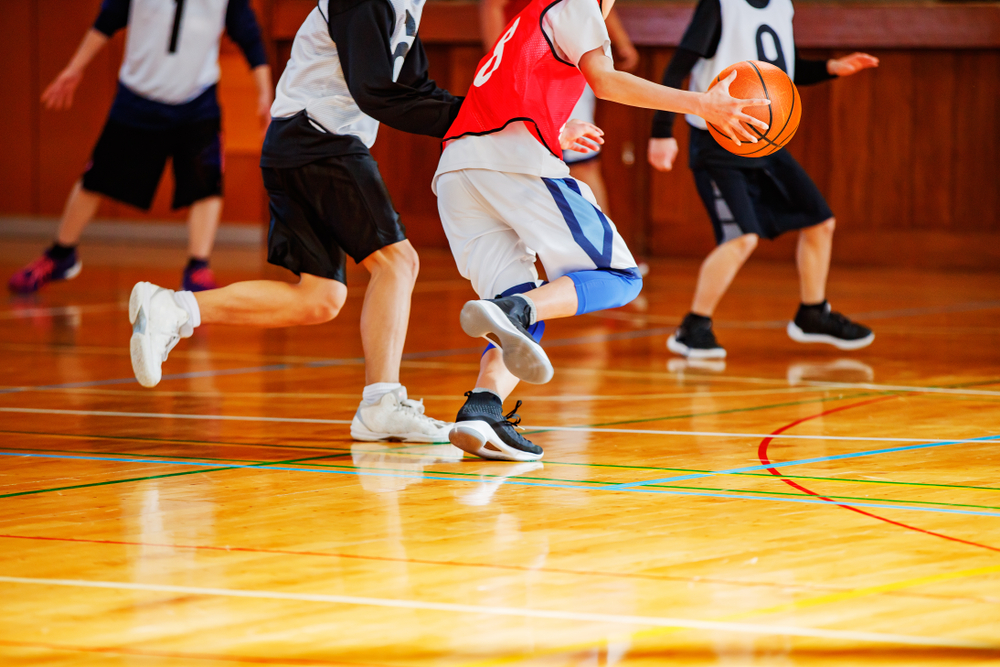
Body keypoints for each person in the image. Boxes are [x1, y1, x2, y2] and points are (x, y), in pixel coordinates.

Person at [434, 0, 769, 461]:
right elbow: (606, 81)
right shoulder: (576, 3)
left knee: (520, 308)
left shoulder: (531, 15)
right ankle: (515, 311)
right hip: (513, 165)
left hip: (457, 171)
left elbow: (507, 97)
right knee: (619, 278)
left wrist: (555, 131)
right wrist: (702, 104)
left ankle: (482, 410)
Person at [127, 0, 464, 443]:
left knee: (319, 298)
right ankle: (381, 404)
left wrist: (480, 117)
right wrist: (480, 120)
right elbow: (375, 91)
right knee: (398, 263)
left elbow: (414, 86)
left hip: (299, 142)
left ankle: (174, 308)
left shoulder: (406, 4)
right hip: (319, 138)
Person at [648, 0, 879, 359]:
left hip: (766, 141)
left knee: (820, 222)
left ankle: (813, 313)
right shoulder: (720, 5)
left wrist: (831, 68)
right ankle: (693, 328)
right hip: (718, 141)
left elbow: (783, 69)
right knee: (741, 238)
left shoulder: (781, 6)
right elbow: (678, 67)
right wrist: (662, 132)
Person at [8, 0, 273, 294]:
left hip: (198, 101)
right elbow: (108, 19)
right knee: (96, 178)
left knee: (207, 183)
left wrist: (264, 93)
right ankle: (61, 254)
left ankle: (198, 267)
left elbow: (249, 35)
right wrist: (74, 68)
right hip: (137, 97)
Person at [479, 0, 638, 214]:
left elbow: (594, 5)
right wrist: (501, 67)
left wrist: (621, 40)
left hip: (573, 63)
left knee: (583, 158)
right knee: (528, 163)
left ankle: (601, 233)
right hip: (530, 67)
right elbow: (492, 6)